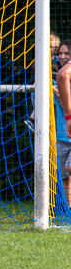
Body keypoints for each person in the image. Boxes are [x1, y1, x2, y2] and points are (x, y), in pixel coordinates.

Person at [53, 44, 71, 206]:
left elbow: (63, 77)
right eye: (60, 53)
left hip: (68, 126)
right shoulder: (51, 77)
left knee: (69, 167)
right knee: (64, 174)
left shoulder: (65, 75)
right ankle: (69, 210)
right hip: (61, 132)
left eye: (67, 53)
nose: (63, 56)